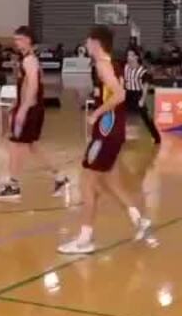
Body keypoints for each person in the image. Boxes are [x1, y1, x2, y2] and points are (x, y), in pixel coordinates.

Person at [58, 26, 151, 254]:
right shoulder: (113, 64)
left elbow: (119, 94)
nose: (85, 45)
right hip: (112, 131)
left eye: (88, 41)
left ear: (96, 43)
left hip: (107, 131)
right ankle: (138, 218)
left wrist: (96, 114)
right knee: (109, 180)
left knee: (87, 182)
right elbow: (111, 93)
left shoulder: (103, 64)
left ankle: (84, 239)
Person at [0, 26, 70, 201]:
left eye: (18, 39)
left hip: (30, 109)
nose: (15, 42)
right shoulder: (27, 60)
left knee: (15, 146)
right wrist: (16, 103)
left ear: (28, 40)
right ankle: (59, 177)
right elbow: (26, 86)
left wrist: (23, 109)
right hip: (29, 107)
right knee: (32, 146)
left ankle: (13, 186)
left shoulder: (30, 61)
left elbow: (33, 86)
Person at [122, 47, 161, 144]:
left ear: (136, 57)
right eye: (127, 55)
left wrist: (142, 99)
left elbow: (145, 85)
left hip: (137, 94)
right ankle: (118, 136)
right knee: (118, 114)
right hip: (127, 93)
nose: (128, 57)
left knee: (146, 117)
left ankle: (157, 137)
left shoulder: (142, 71)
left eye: (131, 55)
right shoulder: (126, 67)